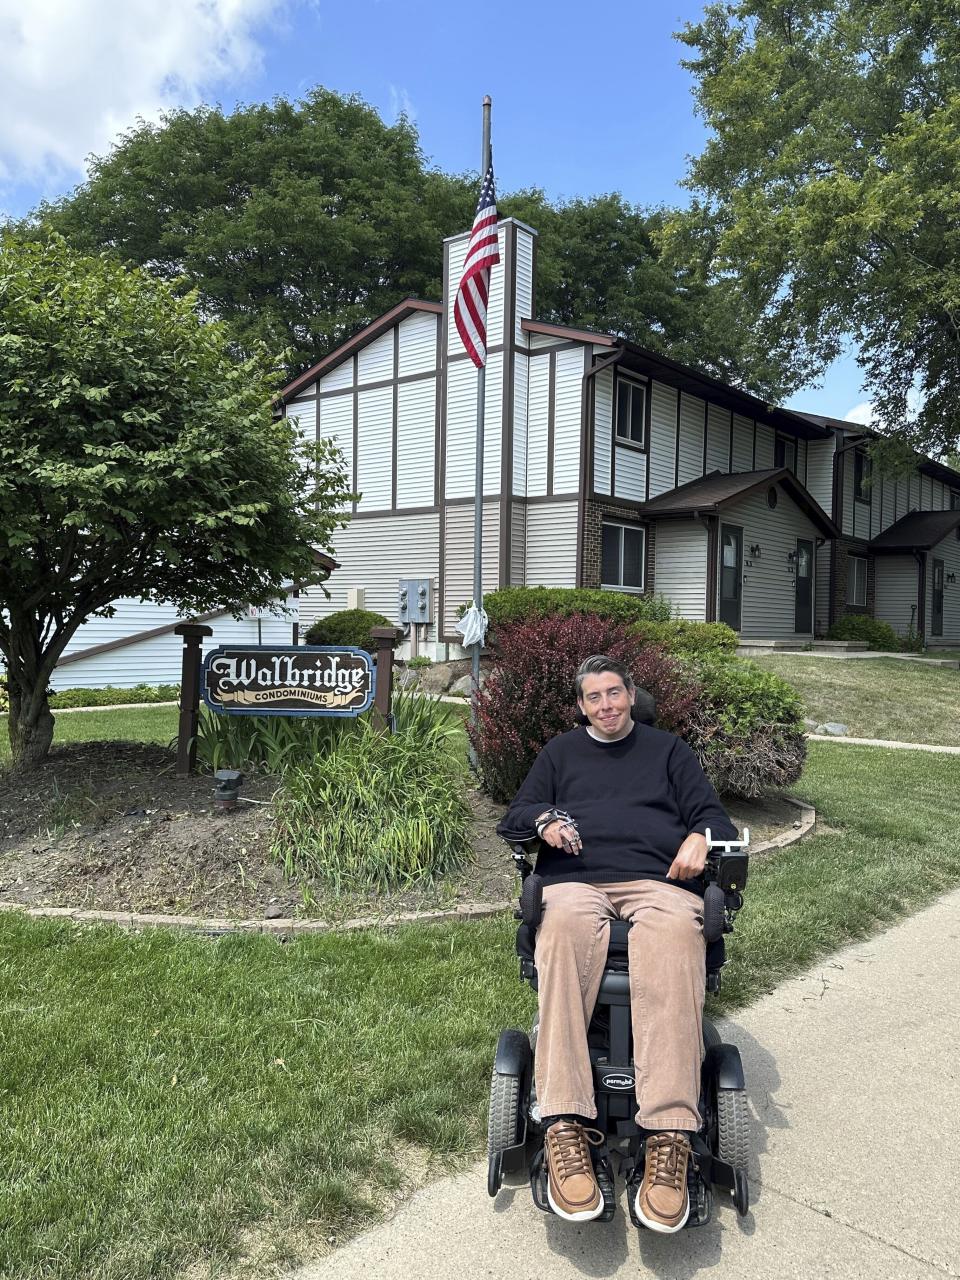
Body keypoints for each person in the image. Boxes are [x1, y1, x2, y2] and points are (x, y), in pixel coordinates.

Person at [497, 653, 738, 1233]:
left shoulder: (669, 752)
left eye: (614, 693)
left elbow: (716, 819)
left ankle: (670, 1135)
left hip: (658, 882)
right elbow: (517, 815)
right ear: (581, 706)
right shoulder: (559, 753)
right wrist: (545, 823)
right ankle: (563, 1124)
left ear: (631, 694)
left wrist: (702, 839)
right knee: (562, 931)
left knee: (679, 933)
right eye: (593, 697)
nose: (605, 705)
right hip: (575, 883)